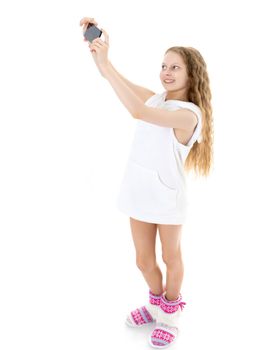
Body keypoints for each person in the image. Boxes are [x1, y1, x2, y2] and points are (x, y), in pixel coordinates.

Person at [80, 17, 214, 349]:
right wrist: (104, 58)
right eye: (164, 65)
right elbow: (119, 84)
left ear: (190, 75)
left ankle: (170, 314)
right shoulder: (157, 99)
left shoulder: (189, 114)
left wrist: (108, 66)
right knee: (143, 260)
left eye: (175, 68)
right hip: (139, 192)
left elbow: (137, 111)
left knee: (171, 257)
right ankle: (155, 303)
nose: (166, 72)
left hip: (167, 199)